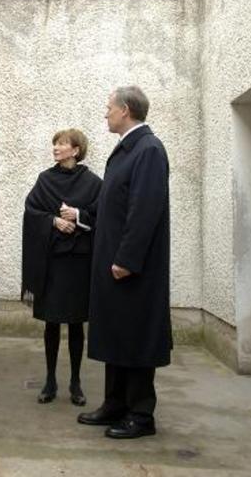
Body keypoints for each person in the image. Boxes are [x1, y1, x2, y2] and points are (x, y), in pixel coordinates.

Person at [78, 85, 172, 438]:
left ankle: (141, 414)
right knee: (117, 334)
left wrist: (127, 258)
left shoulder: (148, 149)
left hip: (132, 268)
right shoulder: (127, 149)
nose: (106, 113)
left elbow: (144, 211)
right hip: (113, 263)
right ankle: (115, 403)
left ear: (126, 110)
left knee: (136, 337)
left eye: (109, 108)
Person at [22, 129, 102, 406]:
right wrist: (54, 221)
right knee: (52, 323)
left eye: (61, 144)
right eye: (54, 143)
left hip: (79, 263)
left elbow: (103, 216)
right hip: (53, 262)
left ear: (76, 150)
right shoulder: (45, 180)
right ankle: (50, 380)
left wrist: (78, 216)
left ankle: (76, 382)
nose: (55, 148)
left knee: (76, 324)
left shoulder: (93, 183)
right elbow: (31, 210)